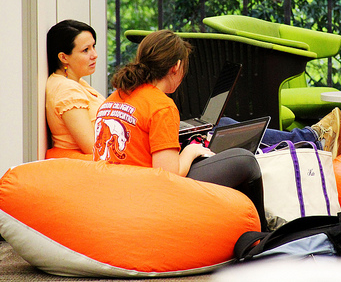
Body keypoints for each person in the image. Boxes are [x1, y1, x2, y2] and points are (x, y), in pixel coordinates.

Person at [92, 30, 274, 228]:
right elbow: (168, 175)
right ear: (176, 66)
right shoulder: (161, 105)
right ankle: (263, 230)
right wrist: (191, 151)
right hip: (143, 194)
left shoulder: (114, 97)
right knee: (244, 161)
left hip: (109, 191)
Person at [45, 20, 105, 156]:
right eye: (86, 50)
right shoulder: (67, 89)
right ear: (64, 57)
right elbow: (92, 147)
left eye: (93, 46)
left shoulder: (76, 82)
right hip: (84, 167)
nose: (94, 55)